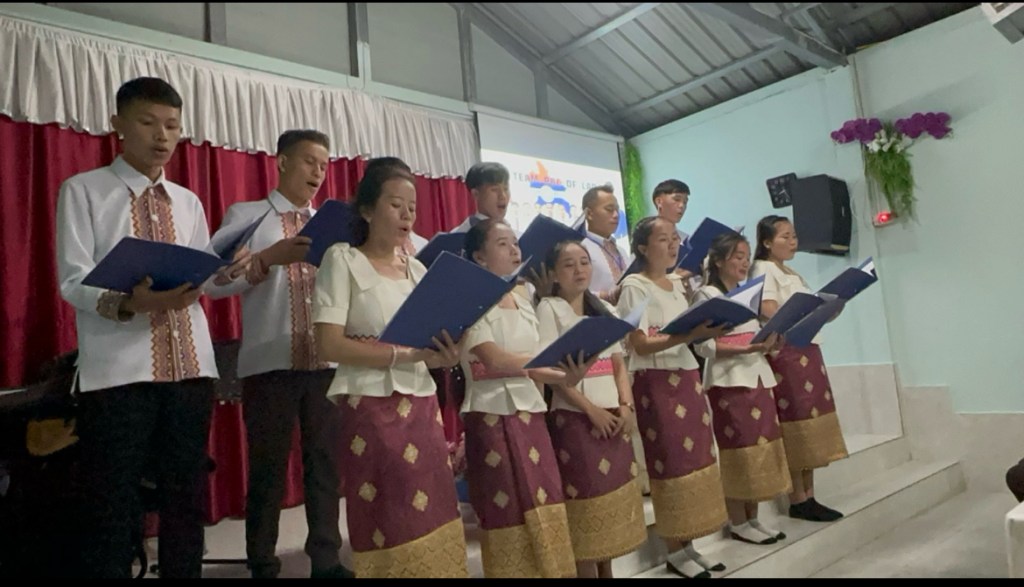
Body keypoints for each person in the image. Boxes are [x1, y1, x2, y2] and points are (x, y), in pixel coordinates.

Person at [55, 76, 219, 578]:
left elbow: (203, 274)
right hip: (119, 375)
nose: (162, 136)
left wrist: (219, 273)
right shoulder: (84, 190)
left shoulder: (188, 201)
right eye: (148, 123)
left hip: (190, 369)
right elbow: (72, 280)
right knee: (111, 501)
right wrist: (129, 303)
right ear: (118, 125)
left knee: (185, 499)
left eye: (172, 125)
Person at [206, 129, 350, 578]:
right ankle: (263, 563)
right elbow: (213, 283)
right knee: (268, 468)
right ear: (283, 162)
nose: (318, 172)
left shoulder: (331, 223)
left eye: (324, 165)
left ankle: (326, 560)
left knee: (325, 466)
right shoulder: (247, 215)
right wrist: (269, 258)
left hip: (325, 361)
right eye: (309, 161)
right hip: (269, 363)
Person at [312, 165, 468, 578]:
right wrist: (402, 356)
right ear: (367, 210)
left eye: (412, 207)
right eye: (396, 204)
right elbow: (329, 344)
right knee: (390, 505)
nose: (407, 215)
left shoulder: (418, 270)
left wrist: (445, 355)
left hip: (422, 403)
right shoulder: (343, 260)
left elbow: (428, 349)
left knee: (434, 500)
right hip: (369, 402)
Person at [459, 218, 584, 578]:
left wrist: (565, 374)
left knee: (545, 499)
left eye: (515, 242)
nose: (515, 250)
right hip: (490, 413)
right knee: (506, 507)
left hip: (530, 413)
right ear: (479, 256)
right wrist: (551, 367)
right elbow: (494, 359)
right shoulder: (468, 299)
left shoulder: (522, 296)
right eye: (503, 244)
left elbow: (538, 360)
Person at [617, 216, 732, 578]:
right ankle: (674, 550)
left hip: (685, 375)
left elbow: (684, 334)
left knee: (694, 460)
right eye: (663, 239)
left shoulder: (677, 285)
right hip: (655, 381)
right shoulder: (633, 286)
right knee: (669, 462)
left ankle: (690, 544)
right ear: (642, 247)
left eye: (674, 239)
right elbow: (640, 343)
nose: (672, 245)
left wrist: (707, 329)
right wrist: (689, 335)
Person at [536, 240, 647, 579]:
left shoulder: (603, 310)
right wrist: (591, 411)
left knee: (611, 496)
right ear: (554, 273)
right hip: (574, 416)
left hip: (613, 412)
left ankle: (608, 572)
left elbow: (618, 364)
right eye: (568, 264)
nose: (579, 270)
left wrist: (626, 405)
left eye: (584, 262)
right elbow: (553, 374)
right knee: (585, 499)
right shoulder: (549, 308)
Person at [692, 232, 791, 547]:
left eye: (747, 257)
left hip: (758, 375)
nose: (744, 263)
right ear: (719, 261)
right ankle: (738, 520)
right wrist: (746, 348)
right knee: (738, 451)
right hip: (729, 380)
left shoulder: (746, 293)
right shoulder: (707, 294)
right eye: (737, 256)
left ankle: (753, 518)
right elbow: (703, 345)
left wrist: (770, 342)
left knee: (759, 449)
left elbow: (753, 334)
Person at [749, 215, 849, 523]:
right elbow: (767, 309)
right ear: (767, 242)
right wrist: (805, 314)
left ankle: (810, 494)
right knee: (795, 420)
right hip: (786, 353)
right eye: (785, 236)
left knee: (811, 420)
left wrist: (831, 308)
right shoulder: (762, 268)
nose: (793, 242)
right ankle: (798, 498)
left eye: (794, 236)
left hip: (807, 349)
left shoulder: (790, 271)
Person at [578, 184, 629, 305]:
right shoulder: (580, 248)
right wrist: (606, 296)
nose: (616, 215)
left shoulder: (622, 250)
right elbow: (573, 292)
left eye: (617, 210)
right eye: (609, 209)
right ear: (589, 214)